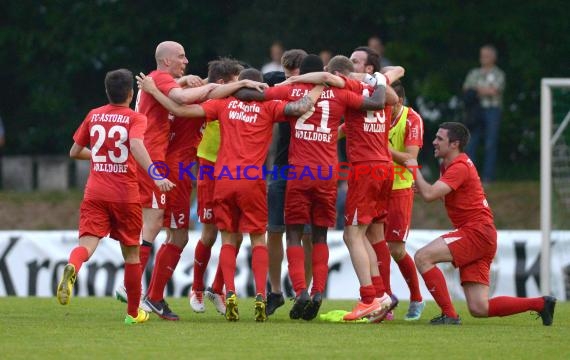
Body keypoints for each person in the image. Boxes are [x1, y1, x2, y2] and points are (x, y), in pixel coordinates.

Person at [138, 68, 323, 322]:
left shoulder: (223, 105)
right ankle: (260, 295)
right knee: (257, 239)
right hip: (252, 181)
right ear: (260, 88)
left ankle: (231, 293)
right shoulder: (270, 107)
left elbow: (180, 110)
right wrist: (322, 84)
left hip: (223, 180)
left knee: (226, 239)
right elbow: (302, 106)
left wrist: (153, 91)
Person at [244, 54, 390, 321]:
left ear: (302, 72)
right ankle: (318, 291)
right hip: (327, 174)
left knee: (293, 235)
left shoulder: (290, 89)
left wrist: (246, 87)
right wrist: (379, 78)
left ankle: (300, 291)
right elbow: (377, 102)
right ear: (321, 72)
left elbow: (252, 96)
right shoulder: (340, 94)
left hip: (299, 171)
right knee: (320, 236)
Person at [404, 121, 556, 325]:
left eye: (440, 138)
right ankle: (541, 304)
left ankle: (449, 315)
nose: (434, 142)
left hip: (476, 231)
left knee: (423, 257)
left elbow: (431, 193)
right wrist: (424, 190)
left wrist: (413, 166)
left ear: (454, 144)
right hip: (482, 233)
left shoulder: (458, 167)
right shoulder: (449, 165)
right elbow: (439, 195)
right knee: (479, 307)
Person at [56, 69, 175, 325]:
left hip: (95, 193)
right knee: (132, 256)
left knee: (86, 246)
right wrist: (156, 176)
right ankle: (133, 314)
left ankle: (73, 267)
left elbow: (75, 151)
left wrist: (100, 155)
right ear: (131, 94)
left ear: (107, 92)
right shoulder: (135, 117)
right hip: (125, 195)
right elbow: (135, 145)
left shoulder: (94, 114)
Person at [189, 58, 245, 316]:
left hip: (236, 171)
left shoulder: (239, 101)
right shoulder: (212, 101)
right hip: (210, 169)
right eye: (237, 80)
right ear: (223, 83)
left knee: (238, 234)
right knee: (210, 234)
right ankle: (197, 288)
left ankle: (218, 288)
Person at [261, 49, 314, 317]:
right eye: (287, 74)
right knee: (274, 229)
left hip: (310, 170)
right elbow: (250, 83)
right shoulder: (274, 80)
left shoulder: (322, 85)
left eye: (296, 75)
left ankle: (300, 291)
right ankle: (274, 291)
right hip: (282, 168)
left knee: (307, 233)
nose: (291, 80)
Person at [385, 80, 426, 321]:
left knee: (396, 249)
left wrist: (380, 148)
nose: (383, 107)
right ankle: (385, 301)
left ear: (398, 101)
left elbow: (411, 159)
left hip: (400, 188)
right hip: (375, 186)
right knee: (376, 247)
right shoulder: (378, 112)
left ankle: (416, 297)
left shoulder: (412, 120)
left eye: (388, 104)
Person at [463, 44, 505, 184]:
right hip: (476, 111)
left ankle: (488, 177)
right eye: (482, 55)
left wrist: (476, 90)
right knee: (471, 142)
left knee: (490, 143)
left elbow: (495, 91)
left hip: (492, 110)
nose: (483, 58)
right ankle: (470, 176)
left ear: (494, 57)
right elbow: (466, 89)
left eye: (486, 55)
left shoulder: (499, 74)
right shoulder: (474, 72)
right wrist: (484, 90)